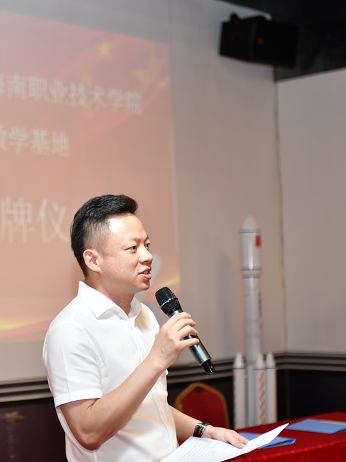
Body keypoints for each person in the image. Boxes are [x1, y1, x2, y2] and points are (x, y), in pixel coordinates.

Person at [43, 194, 247, 461]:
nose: (148, 256)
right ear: (93, 260)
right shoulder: (70, 330)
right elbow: (88, 433)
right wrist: (156, 360)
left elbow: (150, 407)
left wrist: (206, 431)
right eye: (132, 248)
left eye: (147, 245)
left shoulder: (144, 315)